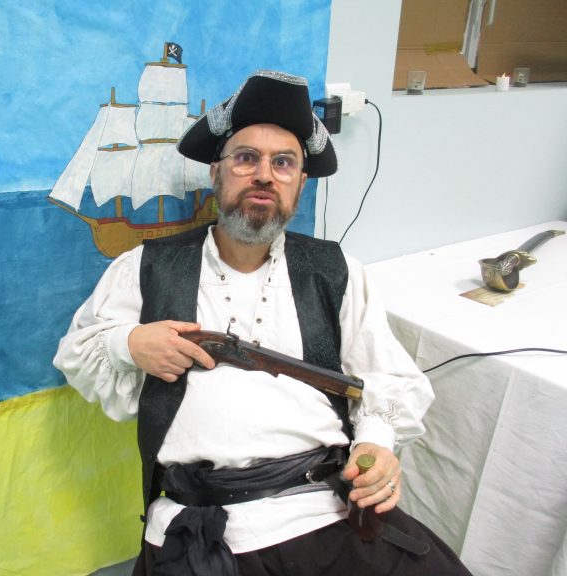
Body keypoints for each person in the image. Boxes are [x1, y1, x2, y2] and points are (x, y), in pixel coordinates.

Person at [54, 70, 471, 575]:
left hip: (327, 510)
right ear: (217, 173)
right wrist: (130, 342)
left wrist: (376, 444)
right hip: (203, 528)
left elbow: (386, 376)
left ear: (299, 184)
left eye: (283, 163)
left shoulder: (336, 270)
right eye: (246, 158)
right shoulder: (146, 267)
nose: (264, 175)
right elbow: (78, 352)